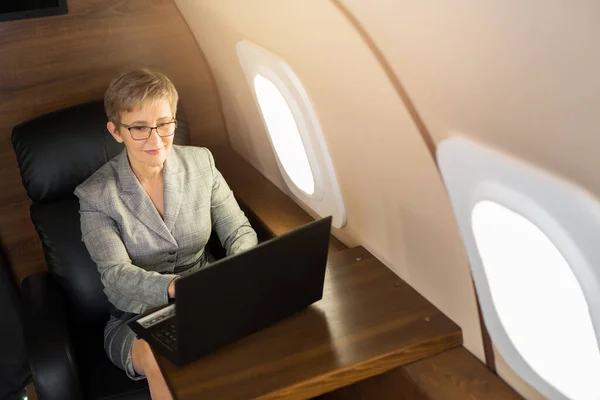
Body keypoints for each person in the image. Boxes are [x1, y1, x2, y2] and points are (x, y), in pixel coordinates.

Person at [74, 69, 258, 399]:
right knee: (161, 362)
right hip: (136, 316)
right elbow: (116, 275)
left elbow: (239, 232)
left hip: (211, 298)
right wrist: (176, 288)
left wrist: (236, 275)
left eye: (164, 124)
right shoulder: (95, 195)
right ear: (116, 131)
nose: (156, 140)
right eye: (139, 128)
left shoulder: (201, 163)